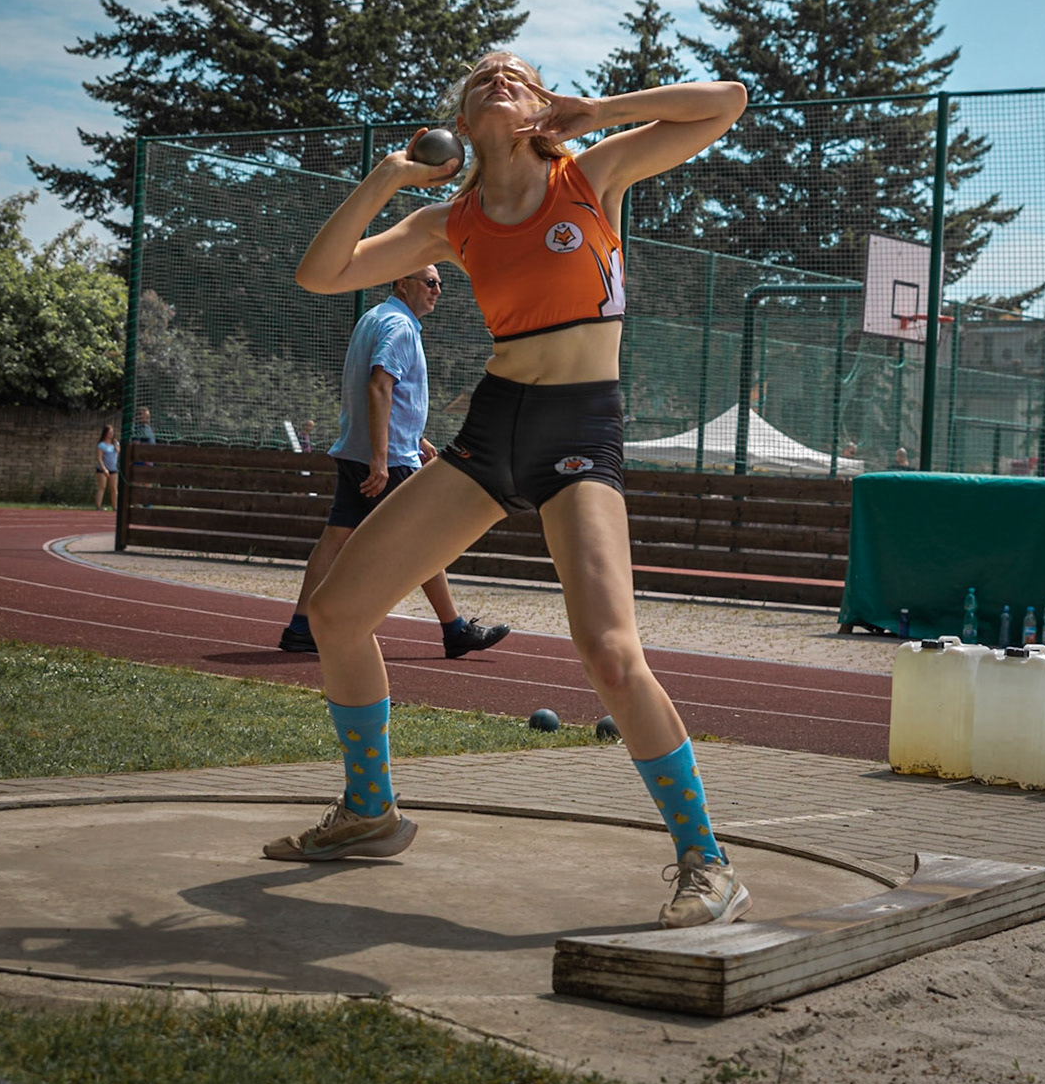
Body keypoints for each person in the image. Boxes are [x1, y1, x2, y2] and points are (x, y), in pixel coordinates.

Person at [264, 52, 752, 930]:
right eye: (484, 74)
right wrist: (386, 177)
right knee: (335, 614)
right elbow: (319, 273)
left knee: (610, 653)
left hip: (579, 431)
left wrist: (595, 109)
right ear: (461, 119)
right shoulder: (448, 221)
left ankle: (707, 860)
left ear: (538, 108)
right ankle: (370, 812)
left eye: (517, 74)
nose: (499, 74)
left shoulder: (592, 173)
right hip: (494, 430)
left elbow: (727, 102)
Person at [276, 264, 510, 662]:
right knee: (425, 540)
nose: (437, 290)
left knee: (337, 537)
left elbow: (385, 393)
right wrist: (382, 459)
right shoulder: (399, 327)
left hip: (359, 450)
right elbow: (379, 386)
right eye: (430, 282)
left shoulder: (375, 317)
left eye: (440, 284)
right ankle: (454, 630)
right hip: (386, 459)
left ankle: (301, 627)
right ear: (402, 283)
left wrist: (415, 437)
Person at [94, 426, 119, 510]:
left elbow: (118, 451)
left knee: (114, 488)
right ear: (106, 434)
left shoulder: (115, 443)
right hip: (103, 469)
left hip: (113, 468)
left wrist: (115, 444)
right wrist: (104, 469)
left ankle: (115, 506)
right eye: (110, 432)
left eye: (112, 432)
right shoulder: (101, 445)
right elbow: (99, 458)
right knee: (102, 487)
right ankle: (98, 506)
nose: (111, 434)